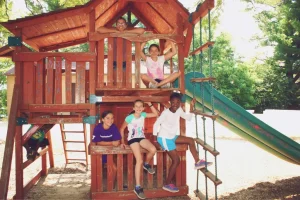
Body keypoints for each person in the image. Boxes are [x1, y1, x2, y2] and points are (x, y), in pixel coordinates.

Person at [153, 92, 213, 193]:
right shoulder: (166, 113)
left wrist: (192, 106)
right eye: (173, 102)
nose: (175, 104)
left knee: (190, 140)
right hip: (164, 138)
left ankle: (197, 162)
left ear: (180, 103)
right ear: (170, 102)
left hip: (172, 136)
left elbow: (188, 118)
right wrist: (155, 140)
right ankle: (167, 184)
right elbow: (156, 124)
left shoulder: (179, 110)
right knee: (176, 160)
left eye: (177, 102)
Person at [120, 100, 159, 199]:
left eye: (140, 106)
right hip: (132, 139)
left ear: (143, 108)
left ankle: (147, 164)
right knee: (139, 160)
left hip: (141, 137)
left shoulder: (143, 115)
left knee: (153, 150)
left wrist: (150, 104)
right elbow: (121, 129)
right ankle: (137, 187)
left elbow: (156, 114)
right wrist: (122, 142)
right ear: (133, 108)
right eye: (136, 106)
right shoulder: (129, 117)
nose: (138, 108)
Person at [91, 110, 121, 187]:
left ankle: (112, 185)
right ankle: (97, 186)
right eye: (107, 118)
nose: (110, 120)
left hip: (109, 153)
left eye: (112, 118)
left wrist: (104, 143)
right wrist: (111, 143)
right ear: (103, 119)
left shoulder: (114, 127)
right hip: (100, 153)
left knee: (114, 169)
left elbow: (117, 142)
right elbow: (97, 142)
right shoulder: (98, 128)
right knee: (97, 170)